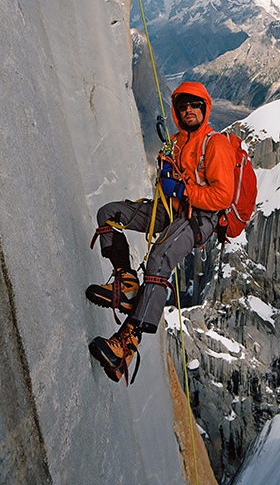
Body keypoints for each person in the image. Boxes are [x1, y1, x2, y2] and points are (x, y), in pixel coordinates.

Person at [86, 81, 235, 383]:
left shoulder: (215, 144)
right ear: (176, 111)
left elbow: (223, 196)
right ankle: (127, 283)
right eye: (183, 105)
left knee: (159, 258)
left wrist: (183, 189)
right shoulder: (177, 142)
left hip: (199, 218)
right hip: (170, 209)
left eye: (195, 105)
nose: (189, 110)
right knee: (109, 214)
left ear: (204, 108)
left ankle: (126, 343)